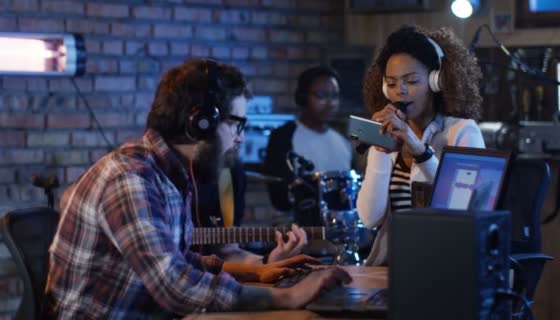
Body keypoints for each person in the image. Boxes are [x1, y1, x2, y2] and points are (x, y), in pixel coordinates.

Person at [45, 59, 351, 319]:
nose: (240, 139)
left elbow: (181, 261)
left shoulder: (169, 176)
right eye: (237, 125)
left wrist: (259, 272)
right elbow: (174, 286)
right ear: (201, 122)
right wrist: (287, 298)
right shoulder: (130, 178)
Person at [356, 25, 486, 266]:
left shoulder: (463, 132)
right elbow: (369, 217)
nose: (400, 91)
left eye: (411, 81)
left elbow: (463, 209)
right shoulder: (388, 134)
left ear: (436, 81)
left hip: (445, 266)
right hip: (392, 268)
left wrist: (419, 150)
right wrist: (380, 150)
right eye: (392, 83)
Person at [264, 65, 353, 214]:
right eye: (321, 95)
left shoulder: (343, 142)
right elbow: (279, 198)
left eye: (335, 96)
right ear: (303, 97)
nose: (330, 102)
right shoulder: (283, 136)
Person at [193, 159, 308, 264]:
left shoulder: (230, 171)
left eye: (242, 133)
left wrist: (268, 261)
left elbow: (227, 252)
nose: (241, 138)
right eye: (236, 133)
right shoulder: (177, 171)